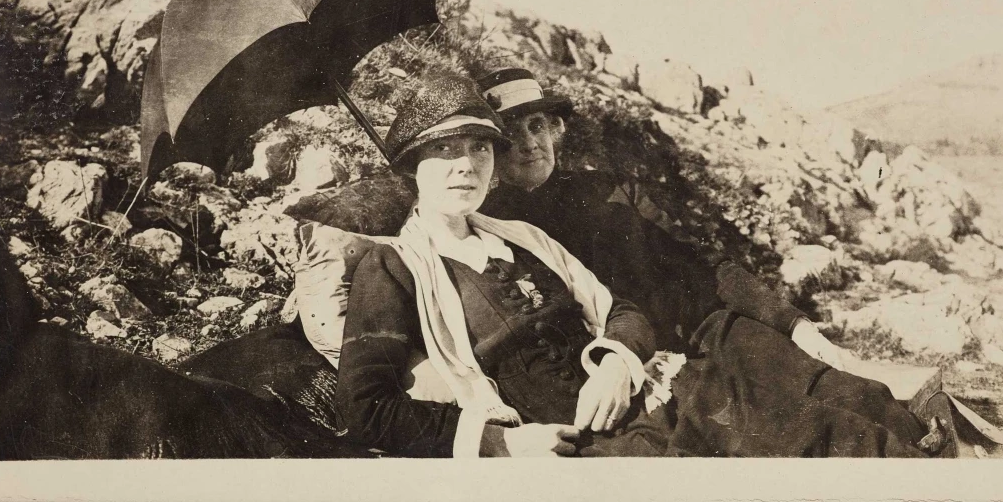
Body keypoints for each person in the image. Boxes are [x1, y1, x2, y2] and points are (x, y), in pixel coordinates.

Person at [334, 75, 942, 458]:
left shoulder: (522, 237)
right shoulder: (393, 268)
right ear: (410, 168)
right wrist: (500, 442)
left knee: (833, 433)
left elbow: (620, 308)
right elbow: (364, 409)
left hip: (655, 387)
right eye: (442, 151)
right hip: (589, 447)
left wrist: (617, 365)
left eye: (478, 147)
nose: (466, 165)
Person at [477, 68, 842, 361]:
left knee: (843, 389)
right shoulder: (489, 226)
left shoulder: (614, 188)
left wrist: (794, 324)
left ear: (554, 131)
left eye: (537, 126)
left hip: (699, 334)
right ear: (493, 147)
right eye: (511, 132)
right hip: (616, 366)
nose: (529, 144)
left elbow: (703, 263)